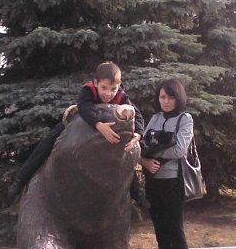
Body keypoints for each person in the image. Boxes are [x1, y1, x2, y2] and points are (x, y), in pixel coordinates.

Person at [8, 62, 147, 205]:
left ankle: (136, 192)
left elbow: (137, 115)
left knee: (122, 154)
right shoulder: (88, 90)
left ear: (118, 86)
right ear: (96, 83)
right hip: (84, 122)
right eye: (104, 88)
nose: (108, 93)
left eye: (113, 89)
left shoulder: (121, 96)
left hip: (109, 129)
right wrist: (98, 125)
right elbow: (84, 108)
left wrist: (138, 134)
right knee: (48, 141)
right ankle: (20, 179)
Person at [140, 79, 193, 249]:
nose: (167, 101)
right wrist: (145, 160)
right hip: (154, 183)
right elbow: (141, 146)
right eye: (163, 97)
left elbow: (180, 149)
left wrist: (154, 154)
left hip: (173, 183)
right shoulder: (155, 118)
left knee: (176, 236)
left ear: (178, 97)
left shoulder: (185, 119)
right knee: (162, 237)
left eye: (171, 97)